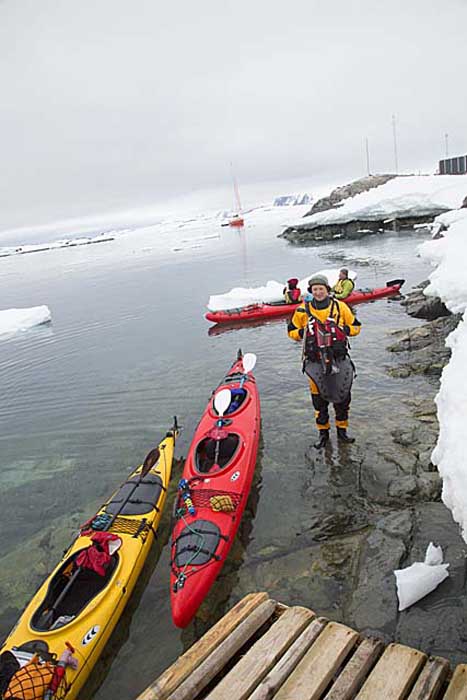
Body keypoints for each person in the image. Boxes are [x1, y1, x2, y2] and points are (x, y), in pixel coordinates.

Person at [287, 274, 361, 449]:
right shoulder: (301, 310)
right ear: (311, 292)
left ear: (327, 290)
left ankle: (342, 432)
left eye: (321, 289)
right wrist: (304, 332)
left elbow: (357, 327)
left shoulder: (340, 307)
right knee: (319, 403)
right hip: (315, 363)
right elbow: (291, 331)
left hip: (339, 360)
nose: (319, 292)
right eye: (315, 289)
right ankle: (323, 434)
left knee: (343, 398)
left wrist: (342, 329)